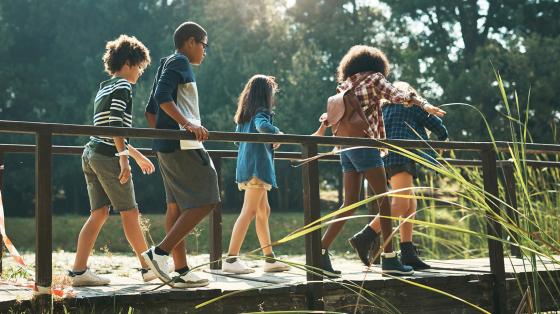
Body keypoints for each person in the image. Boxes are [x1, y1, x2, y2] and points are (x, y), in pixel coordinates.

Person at [312, 45, 445, 276]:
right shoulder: (375, 78)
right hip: (365, 145)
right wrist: (423, 104)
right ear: (377, 64)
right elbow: (398, 95)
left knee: (349, 202)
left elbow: (330, 117)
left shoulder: (346, 84)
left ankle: (319, 253)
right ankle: (390, 259)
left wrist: (320, 130)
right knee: (384, 200)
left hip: (345, 147)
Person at [69, 35, 156, 286]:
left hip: (92, 153)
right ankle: (148, 268)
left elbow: (108, 129)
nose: (140, 73)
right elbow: (117, 124)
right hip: (108, 157)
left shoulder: (104, 87)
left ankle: (79, 271)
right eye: (139, 67)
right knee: (131, 212)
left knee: (98, 213)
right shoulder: (124, 87)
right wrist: (124, 160)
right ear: (129, 63)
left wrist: (136, 155)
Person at [143, 21, 218, 288]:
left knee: (175, 206)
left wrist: (163, 138)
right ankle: (159, 253)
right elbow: (163, 97)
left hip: (168, 146)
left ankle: (182, 270)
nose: (205, 51)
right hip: (183, 145)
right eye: (204, 45)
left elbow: (150, 110)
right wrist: (187, 125)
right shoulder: (180, 62)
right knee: (208, 197)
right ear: (190, 42)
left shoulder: (166, 63)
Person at [362, 81, 448, 270]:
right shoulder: (411, 105)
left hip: (383, 159)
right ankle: (365, 236)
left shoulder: (384, 108)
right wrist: (444, 138)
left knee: (410, 203)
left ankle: (407, 252)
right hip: (401, 157)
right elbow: (436, 124)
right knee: (401, 203)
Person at [222, 75, 290, 274]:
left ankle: (269, 259)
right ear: (265, 95)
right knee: (249, 211)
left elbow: (237, 139)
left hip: (247, 166)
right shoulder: (261, 113)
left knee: (263, 211)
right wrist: (277, 133)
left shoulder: (244, 115)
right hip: (257, 168)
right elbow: (262, 126)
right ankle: (231, 259)